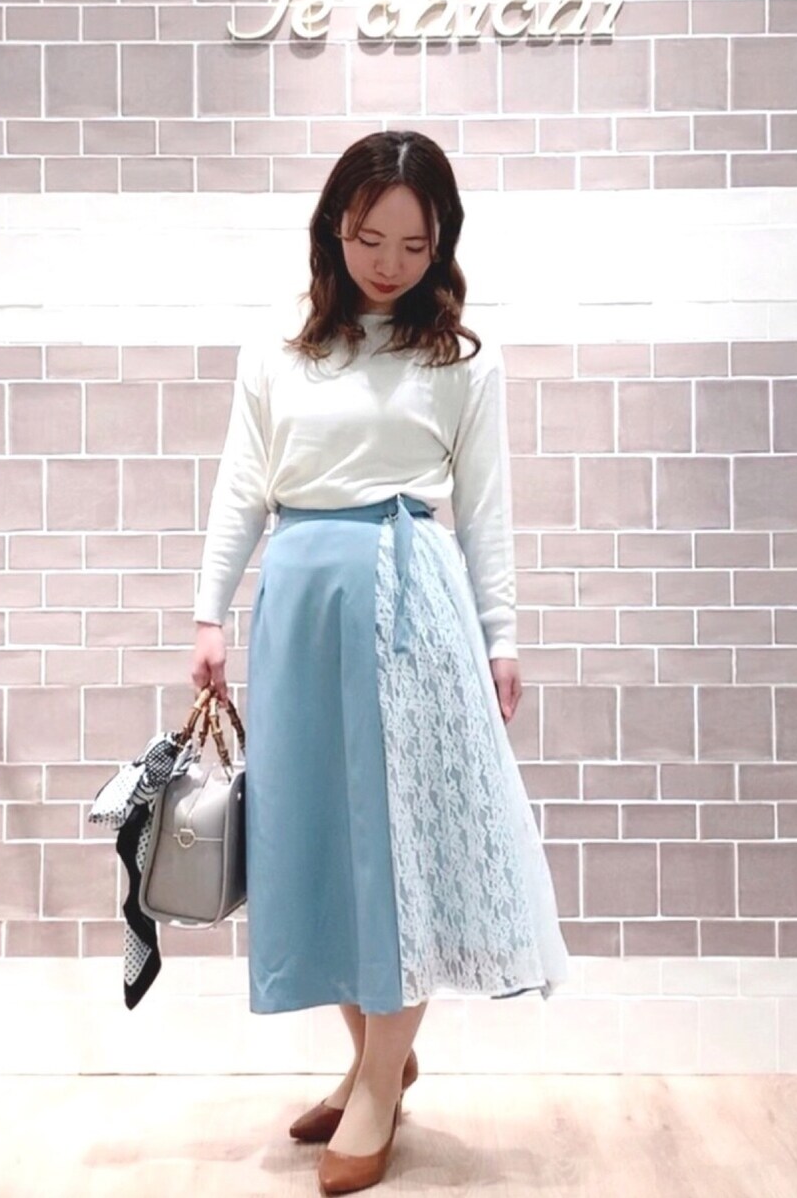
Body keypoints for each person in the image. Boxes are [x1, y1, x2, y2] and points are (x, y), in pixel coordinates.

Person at [191, 129, 569, 1195]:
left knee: (401, 844)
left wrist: (501, 634)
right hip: (300, 605)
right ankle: (377, 1062)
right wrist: (207, 614)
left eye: (414, 243)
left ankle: (375, 1087)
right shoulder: (279, 348)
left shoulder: (462, 358)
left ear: (441, 242)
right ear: (333, 229)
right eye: (370, 239)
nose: (390, 263)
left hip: (413, 603)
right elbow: (241, 485)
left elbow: (485, 509)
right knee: (314, 839)